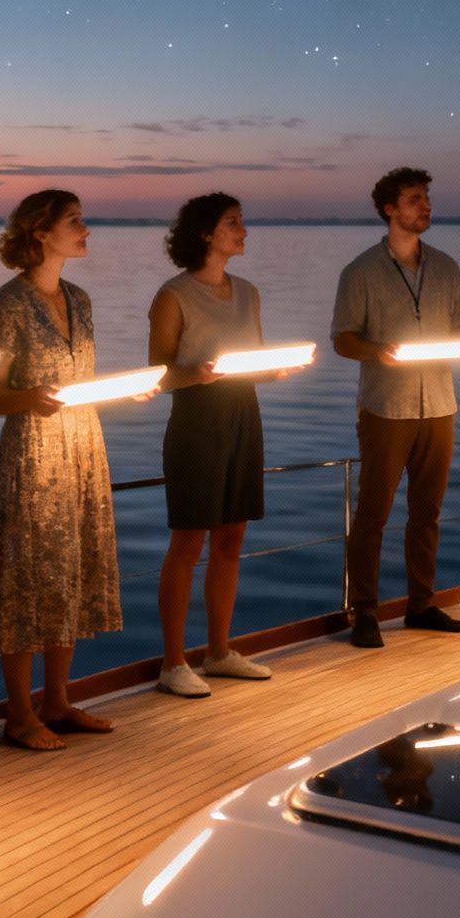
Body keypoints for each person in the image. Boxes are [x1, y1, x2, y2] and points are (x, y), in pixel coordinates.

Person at [0, 189, 124, 749]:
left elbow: (83, 378)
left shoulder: (80, 299)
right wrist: (30, 396)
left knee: (71, 570)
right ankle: (19, 712)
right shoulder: (4, 306)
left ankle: (58, 701)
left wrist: (118, 393)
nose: (86, 230)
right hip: (33, 452)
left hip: (83, 445)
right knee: (26, 578)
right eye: (75, 222)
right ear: (41, 233)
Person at [330, 167, 460, 648]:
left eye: (427, 198)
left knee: (428, 511)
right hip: (385, 408)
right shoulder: (359, 272)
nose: (425, 206)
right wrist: (377, 351)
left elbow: (459, 326)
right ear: (390, 209)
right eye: (415, 199)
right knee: (373, 515)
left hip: (440, 405)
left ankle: (421, 605)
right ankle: (365, 612)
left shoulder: (447, 267)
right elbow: (342, 339)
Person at [148, 193, 273, 697]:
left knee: (232, 537)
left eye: (241, 222)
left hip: (244, 414)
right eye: (233, 223)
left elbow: (256, 357)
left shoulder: (248, 292)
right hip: (197, 421)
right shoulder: (173, 295)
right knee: (189, 541)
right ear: (205, 233)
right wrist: (195, 373)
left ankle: (219, 652)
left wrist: (276, 366)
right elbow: (158, 374)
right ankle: (173, 663)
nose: (243, 230)